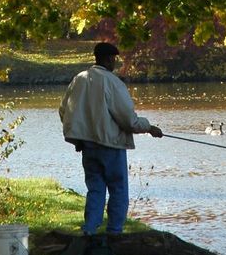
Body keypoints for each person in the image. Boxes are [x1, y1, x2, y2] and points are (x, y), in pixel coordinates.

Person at [59, 42, 163, 236]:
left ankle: (89, 230)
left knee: (95, 189)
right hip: (110, 146)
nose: (115, 63)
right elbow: (128, 120)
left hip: (88, 146)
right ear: (108, 59)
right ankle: (114, 232)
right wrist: (148, 127)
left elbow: (64, 111)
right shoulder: (112, 82)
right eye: (114, 59)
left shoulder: (78, 79)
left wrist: (79, 136)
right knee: (118, 189)